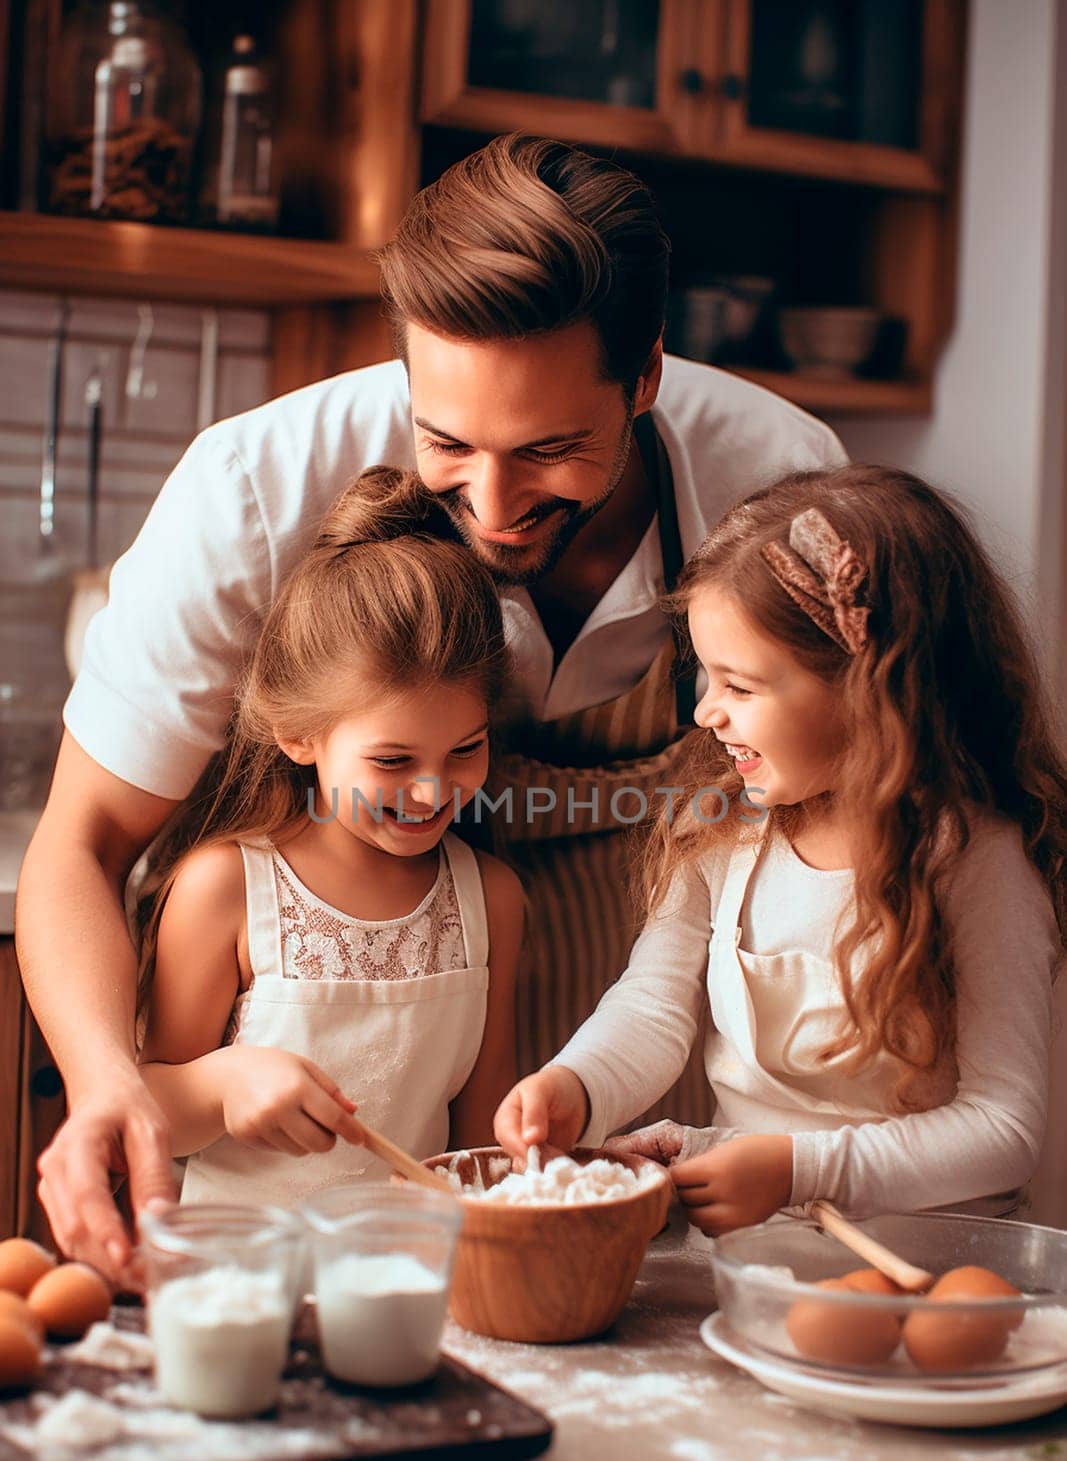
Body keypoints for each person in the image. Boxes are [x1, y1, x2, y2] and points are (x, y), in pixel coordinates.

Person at [16, 133, 844, 1280]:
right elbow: (83, 841)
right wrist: (117, 1081)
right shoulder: (252, 491)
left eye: (550, 449)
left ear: (645, 375)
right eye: (447, 442)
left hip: (652, 1077)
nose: (494, 506)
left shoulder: (777, 479)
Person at [494, 465, 1067, 1231]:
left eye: (740, 686)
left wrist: (797, 1170)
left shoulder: (975, 861)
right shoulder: (720, 823)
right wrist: (577, 1083)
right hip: (762, 1255)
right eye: (704, 677)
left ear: (871, 690)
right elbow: (652, 1006)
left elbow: (1002, 1132)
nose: (706, 714)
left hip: (934, 1262)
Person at [137, 467, 522, 1205]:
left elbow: (481, 1150)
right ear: (298, 734)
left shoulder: (491, 899)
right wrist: (223, 1084)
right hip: (241, 1283)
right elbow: (146, 1112)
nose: (432, 790)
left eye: (465, 750)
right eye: (391, 761)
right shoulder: (225, 888)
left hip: (405, 1284)